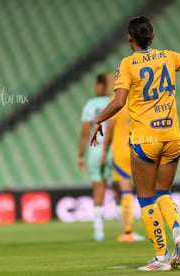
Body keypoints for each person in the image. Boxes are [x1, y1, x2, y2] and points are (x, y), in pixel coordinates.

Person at [90, 16, 180, 271]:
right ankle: (176, 229)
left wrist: (98, 120)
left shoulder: (127, 64)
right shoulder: (169, 57)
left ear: (130, 39)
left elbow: (118, 102)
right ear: (153, 36)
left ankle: (161, 257)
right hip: (172, 137)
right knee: (164, 192)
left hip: (145, 139)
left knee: (147, 197)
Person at [101, 80, 145, 242]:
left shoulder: (116, 101)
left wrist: (104, 150)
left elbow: (110, 127)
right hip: (138, 148)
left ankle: (128, 231)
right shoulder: (139, 100)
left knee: (125, 189)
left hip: (120, 151)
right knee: (143, 189)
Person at [78, 72, 112, 241]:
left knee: (99, 191)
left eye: (96, 84)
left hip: (95, 148)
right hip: (115, 148)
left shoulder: (91, 105)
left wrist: (80, 155)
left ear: (101, 86)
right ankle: (127, 230)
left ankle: (99, 231)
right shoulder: (115, 101)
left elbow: (85, 132)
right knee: (122, 186)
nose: (94, 87)